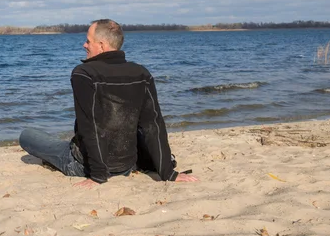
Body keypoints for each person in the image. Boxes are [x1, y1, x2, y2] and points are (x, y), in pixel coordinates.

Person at [19, 19, 198, 188]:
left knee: (27, 135)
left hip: (88, 166)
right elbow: (153, 124)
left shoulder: (83, 73)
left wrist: (97, 176)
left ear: (102, 45)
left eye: (88, 41)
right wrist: (168, 172)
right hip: (127, 164)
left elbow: (91, 125)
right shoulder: (141, 73)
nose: (84, 45)